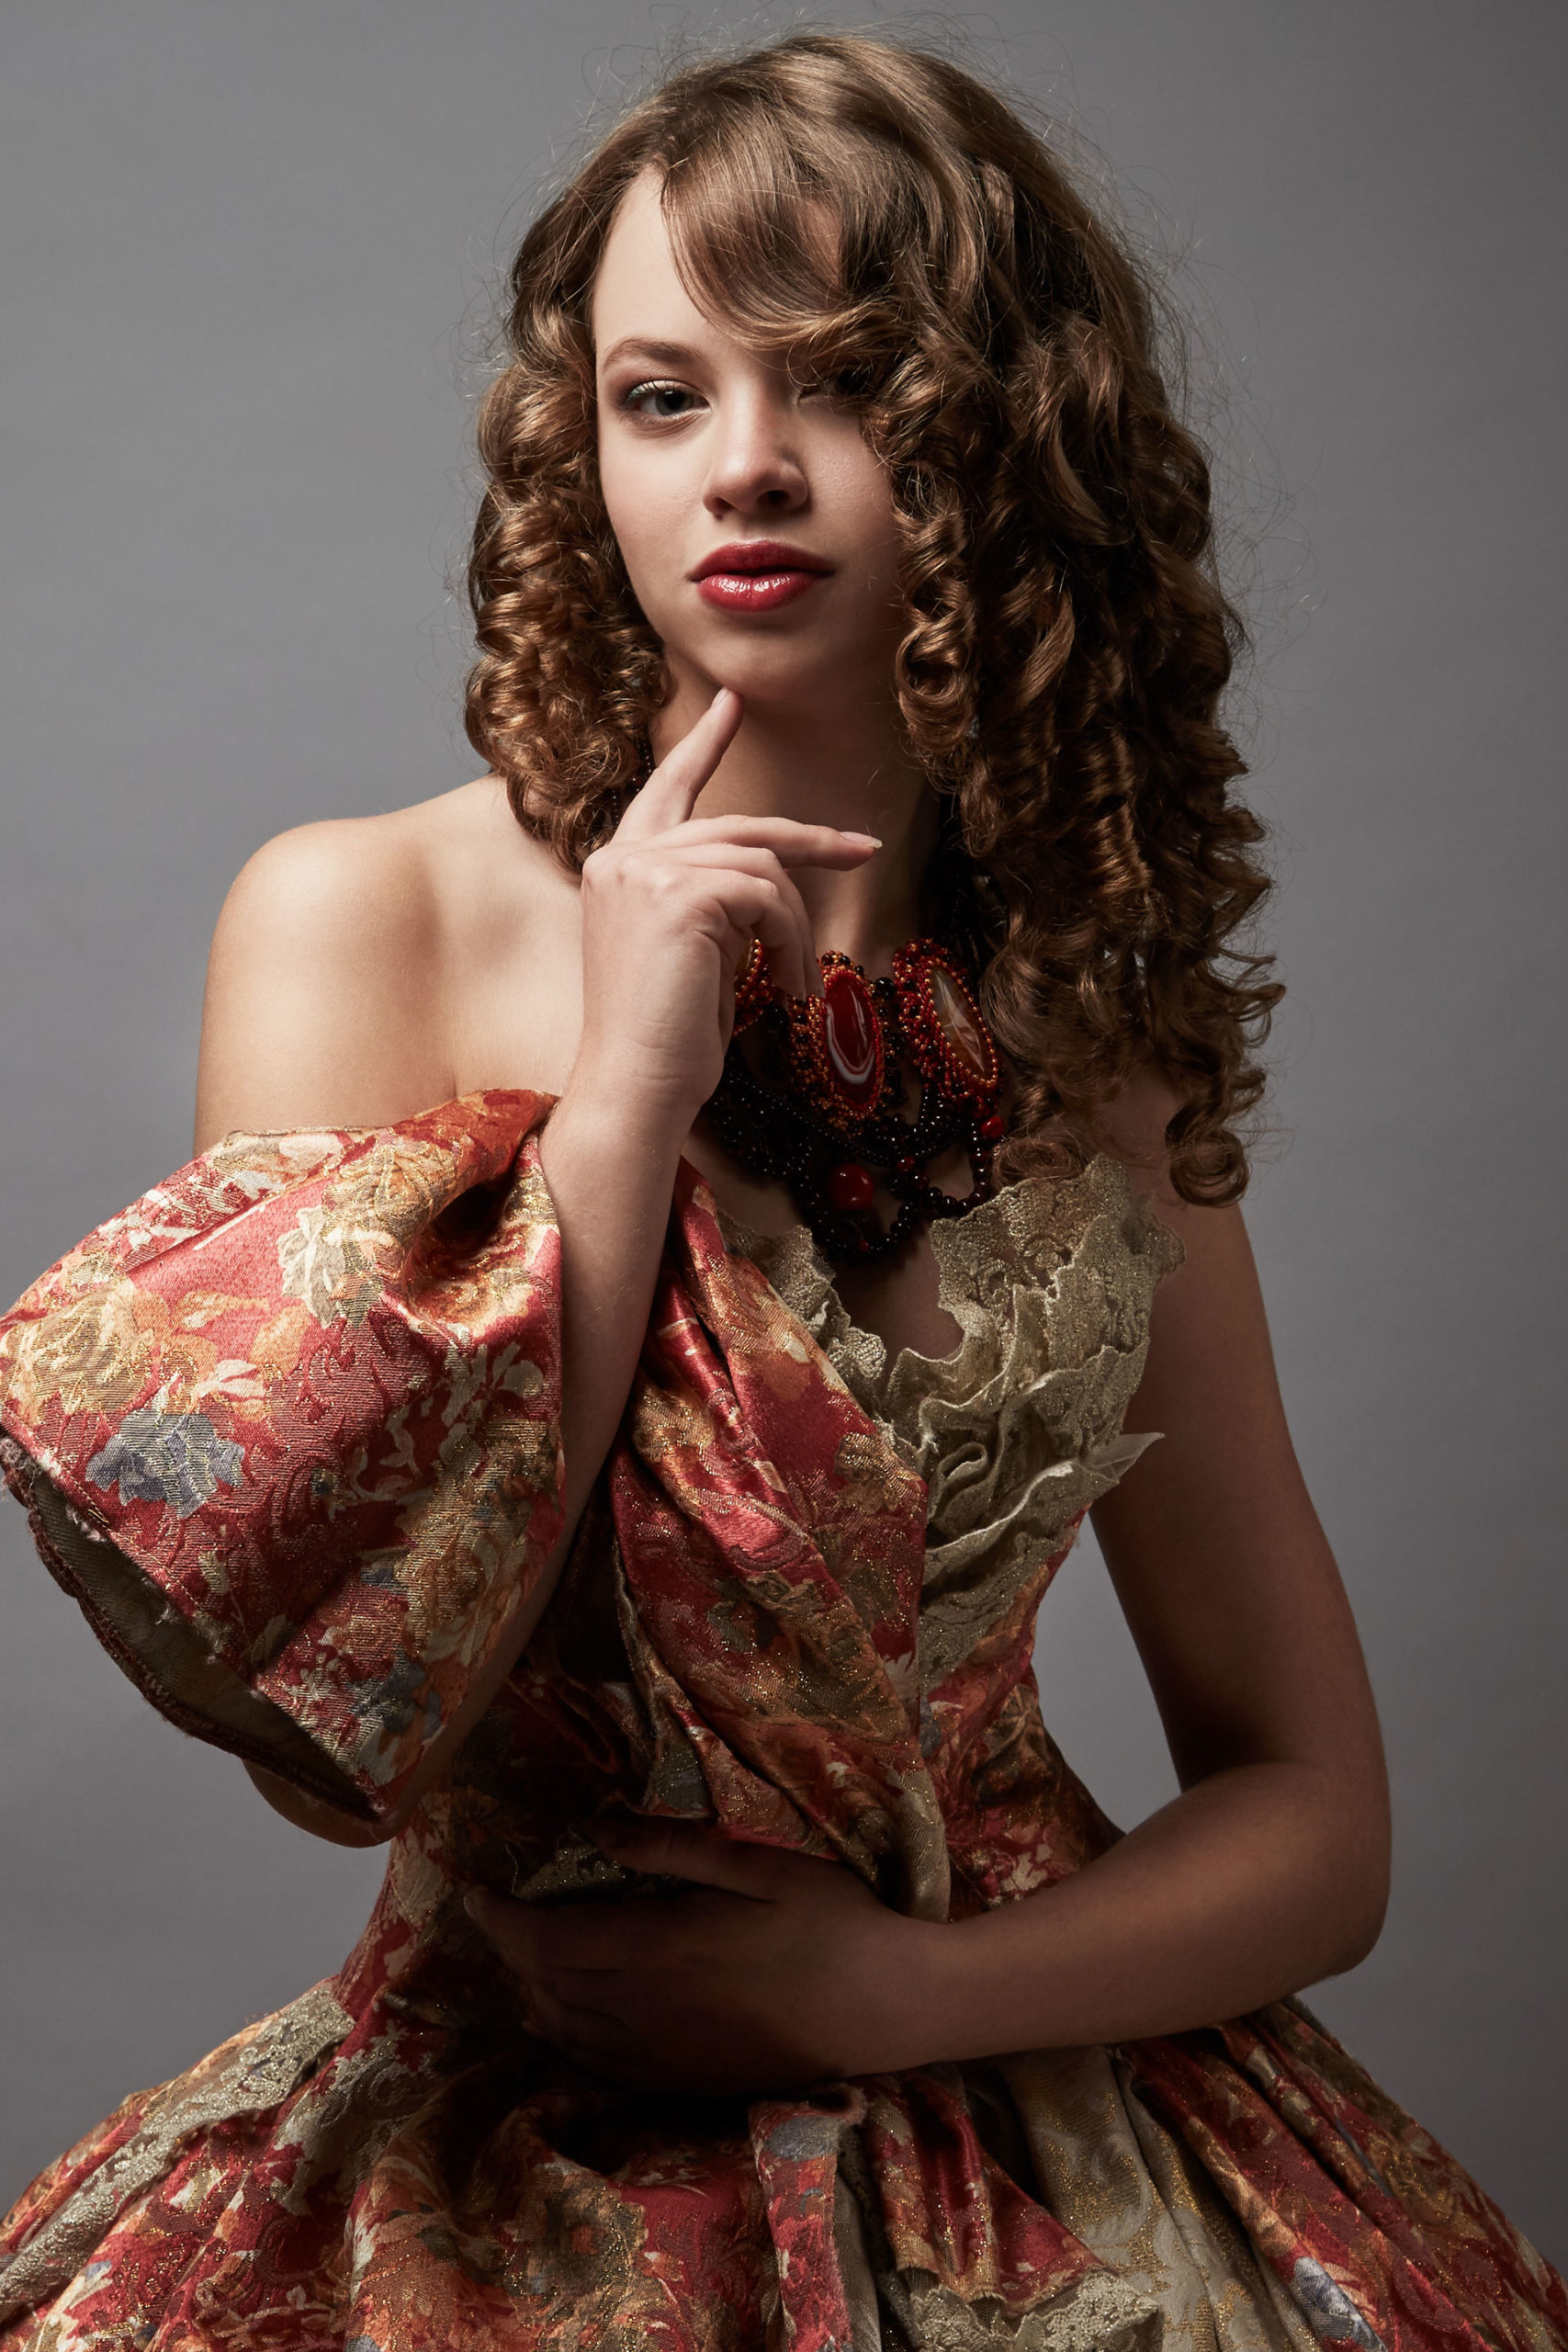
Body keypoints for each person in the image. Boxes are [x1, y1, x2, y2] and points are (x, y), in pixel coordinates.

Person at [0, 29, 1560, 2351]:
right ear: (583, 451)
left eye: (839, 381)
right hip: (506, 2158)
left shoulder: (1088, 1009)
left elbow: (1316, 1814)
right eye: (661, 394)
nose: (742, 460)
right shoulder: (361, 919)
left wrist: (894, 1993)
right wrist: (624, 1095)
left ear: (1002, 439)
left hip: (1036, 2107)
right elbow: (336, 1741)